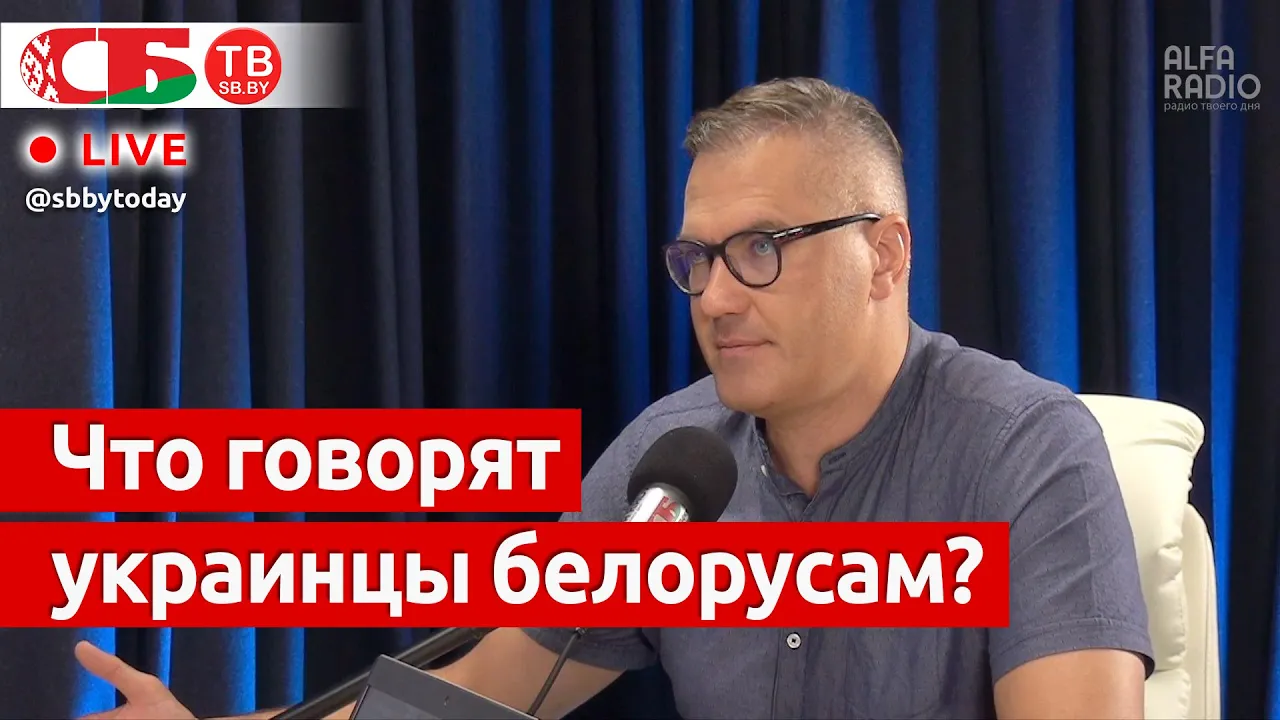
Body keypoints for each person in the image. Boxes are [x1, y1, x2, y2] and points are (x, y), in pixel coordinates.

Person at [73, 77, 1151, 720]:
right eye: (697, 258)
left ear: (884, 255)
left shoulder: (1026, 453)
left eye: (760, 250)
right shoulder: (672, 461)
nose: (715, 297)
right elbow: (478, 693)